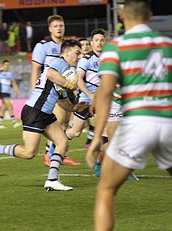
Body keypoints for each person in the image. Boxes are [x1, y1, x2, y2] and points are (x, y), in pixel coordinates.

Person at [86, 1, 172, 230]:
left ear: (122, 15)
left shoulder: (116, 46)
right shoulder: (167, 44)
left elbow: (104, 93)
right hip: (168, 121)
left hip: (138, 123)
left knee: (106, 189)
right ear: (150, 16)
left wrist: (96, 137)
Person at [0, 40, 88, 191]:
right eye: (77, 53)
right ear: (67, 52)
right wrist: (70, 85)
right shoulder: (60, 63)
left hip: (46, 113)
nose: (79, 56)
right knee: (29, 152)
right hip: (35, 111)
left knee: (62, 142)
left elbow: (63, 102)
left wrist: (75, 107)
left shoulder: (64, 72)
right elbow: (50, 73)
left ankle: (52, 180)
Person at [30, 14, 79, 166]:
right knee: (58, 121)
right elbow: (35, 69)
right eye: (56, 26)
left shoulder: (67, 46)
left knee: (64, 122)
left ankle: (59, 153)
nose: (59, 28)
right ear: (50, 29)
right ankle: (48, 154)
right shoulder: (43, 46)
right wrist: (34, 91)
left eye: (61, 25)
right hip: (51, 89)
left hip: (67, 87)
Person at [64, 28, 106, 140]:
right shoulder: (87, 59)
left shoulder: (107, 59)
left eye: (102, 40)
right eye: (96, 40)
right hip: (86, 100)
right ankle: (54, 145)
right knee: (75, 132)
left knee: (106, 133)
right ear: (92, 42)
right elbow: (79, 79)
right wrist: (90, 95)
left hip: (102, 100)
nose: (99, 42)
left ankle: (100, 156)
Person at [0, 60, 21, 129]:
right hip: (2, 93)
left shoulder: (10, 74)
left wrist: (17, 90)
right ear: (3, 66)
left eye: (8, 65)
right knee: (10, 105)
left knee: (3, 107)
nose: (7, 66)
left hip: (7, 93)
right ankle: (14, 123)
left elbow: (13, 83)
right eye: (5, 65)